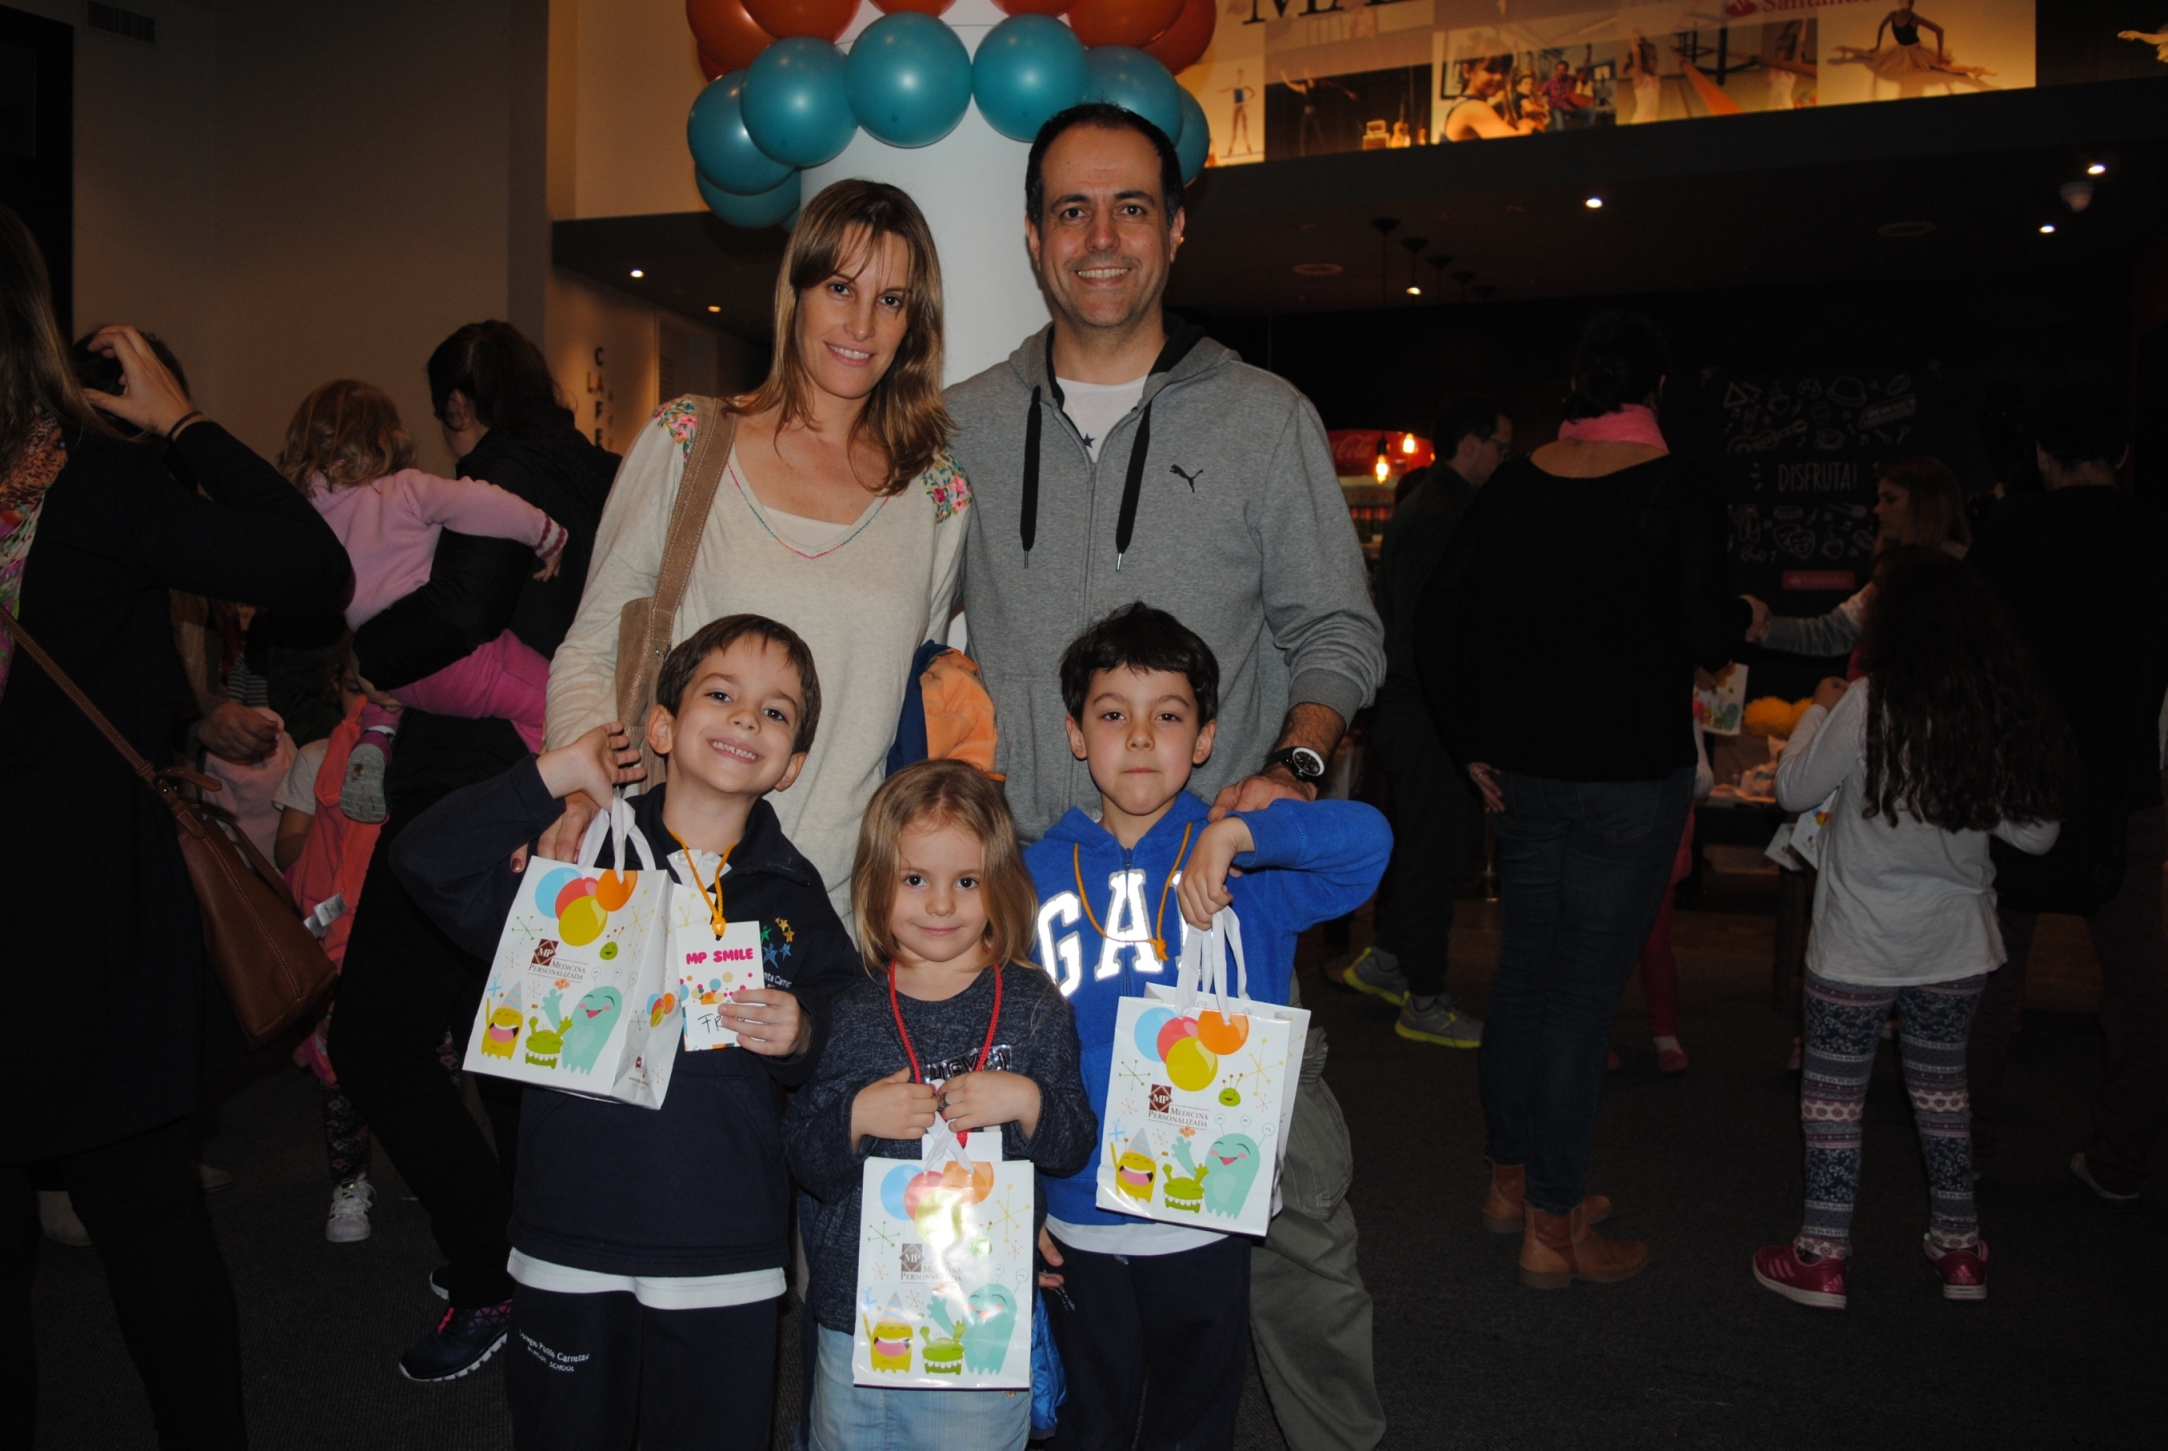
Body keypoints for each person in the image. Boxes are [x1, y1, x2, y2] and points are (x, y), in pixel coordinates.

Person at [944, 103, 1390, 1450]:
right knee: (1016, 1207)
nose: (1101, 236)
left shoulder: (1264, 419)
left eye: (1132, 205)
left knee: (1294, 1208)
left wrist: (1290, 768)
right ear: (1031, 237)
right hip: (1032, 919)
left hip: (1208, 917)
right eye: (1071, 209)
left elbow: (1339, 631)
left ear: (1177, 226)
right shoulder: (962, 427)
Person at [0, 205, 352, 1448]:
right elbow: (311, 564)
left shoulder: (82, 487)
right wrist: (182, 421)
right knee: (148, 1226)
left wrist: (181, 712)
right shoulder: (88, 478)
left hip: (73, 916)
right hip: (93, 917)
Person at [393, 614, 857, 1448]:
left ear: (789, 766)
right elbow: (425, 859)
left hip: (727, 1254)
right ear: (661, 727)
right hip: (568, 1235)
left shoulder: (794, 897)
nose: (748, 717)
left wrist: (804, 1035)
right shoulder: (575, 865)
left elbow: (851, 1040)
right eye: (722, 694)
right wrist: (554, 775)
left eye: (777, 712)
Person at [1419, 310, 1751, 1288]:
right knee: (1574, 999)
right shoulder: (1678, 484)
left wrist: (1465, 739)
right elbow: (1704, 626)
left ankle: (1510, 1183)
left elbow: (1438, 615)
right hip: (1626, 779)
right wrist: (1742, 614)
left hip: (1524, 773)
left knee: (1523, 979)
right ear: (1651, 392)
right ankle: (1554, 1229)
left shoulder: (1518, 483)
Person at [544, 180, 968, 921]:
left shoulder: (935, 497)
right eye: (840, 286)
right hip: (666, 883)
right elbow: (590, 648)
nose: (862, 323)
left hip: (836, 917)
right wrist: (583, 791)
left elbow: (908, 705)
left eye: (892, 300)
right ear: (796, 292)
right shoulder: (690, 443)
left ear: (914, 323)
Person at [1024, 605, 1390, 1451]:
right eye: (1113, 713)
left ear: (1206, 737)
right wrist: (1025, 1195)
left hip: (1208, 1216)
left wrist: (1240, 830)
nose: (1142, 736)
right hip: (1077, 1212)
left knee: (1195, 1425)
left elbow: (1368, 844)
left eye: (1170, 714)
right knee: (1092, 1425)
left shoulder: (1248, 868)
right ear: (1077, 734)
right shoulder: (1033, 875)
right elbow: (1008, 1043)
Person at [329, 317, 618, 1382]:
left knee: (376, 1041)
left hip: (468, 789)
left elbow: (460, 607)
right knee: (515, 1050)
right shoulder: (611, 469)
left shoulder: (496, 470)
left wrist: (366, 651)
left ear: (465, 402)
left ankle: (493, 1270)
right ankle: (536, 1263)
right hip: (563, 780)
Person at [1753, 550, 2068, 1308]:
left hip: (1858, 942)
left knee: (1833, 1097)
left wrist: (1819, 712)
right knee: (1942, 1090)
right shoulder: (1990, 709)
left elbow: (1794, 787)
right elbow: (2039, 835)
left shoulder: (1867, 702)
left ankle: (1823, 1255)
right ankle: (1960, 1248)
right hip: (1954, 943)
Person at [784, 759, 1095, 1451]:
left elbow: (1075, 1142)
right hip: (856, 1318)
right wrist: (856, 1118)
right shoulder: (848, 1009)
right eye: (915, 878)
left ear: (1000, 887)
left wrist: (1029, 1101)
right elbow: (801, 1154)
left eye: (967, 881)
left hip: (980, 1316)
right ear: (875, 884)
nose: (941, 904)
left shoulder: (1034, 1005)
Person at [1967, 387, 2168, 1204]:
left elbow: (1971, 650)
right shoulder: (2157, 532)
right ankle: (2122, 1153)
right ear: (2122, 454)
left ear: (2043, 456)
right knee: (2139, 976)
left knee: (1985, 965)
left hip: (2018, 780)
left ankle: (1965, 1142)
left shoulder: (2010, 530)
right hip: (2129, 784)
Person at [281, 378, 569, 811]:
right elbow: (482, 503)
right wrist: (546, 534)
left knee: (384, 693)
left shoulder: (310, 517)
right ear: (385, 436)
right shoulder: (401, 490)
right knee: (552, 698)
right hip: (451, 661)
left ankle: (375, 741)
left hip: (390, 678)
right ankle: (551, 802)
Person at [1325, 394, 1510, 1047]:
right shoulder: (1441, 512)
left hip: (1411, 707)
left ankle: (1390, 959)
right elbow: (1438, 632)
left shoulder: (1428, 506)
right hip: (1424, 708)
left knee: (1433, 846)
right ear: (1471, 444)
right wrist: (1464, 733)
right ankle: (1424, 998)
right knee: (1437, 854)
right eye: (1500, 445)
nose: (1504, 457)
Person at [1744, 455, 1971, 663]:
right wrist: (1758, 627)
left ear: (1926, 503)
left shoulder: (1966, 568)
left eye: (1890, 500)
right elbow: (1831, 633)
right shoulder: (1892, 573)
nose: (1877, 510)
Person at [1444, 56, 1543, 140]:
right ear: (1468, 71)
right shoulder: (1473, 107)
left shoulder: (1466, 101)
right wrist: (1527, 124)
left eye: (1504, 71)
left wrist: (1505, 96)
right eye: (1490, 69)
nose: (1499, 77)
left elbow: (1511, 125)